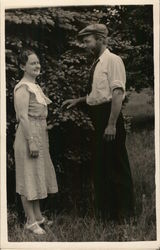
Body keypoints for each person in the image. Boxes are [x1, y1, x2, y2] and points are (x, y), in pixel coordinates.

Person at [62, 24, 135, 222]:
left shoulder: (113, 60)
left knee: (117, 165)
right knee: (102, 166)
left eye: (88, 41)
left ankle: (127, 215)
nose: (85, 45)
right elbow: (98, 95)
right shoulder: (97, 62)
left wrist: (111, 124)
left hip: (109, 117)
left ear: (101, 39)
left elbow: (117, 94)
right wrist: (78, 100)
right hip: (98, 116)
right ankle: (108, 215)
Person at [13, 49, 58, 234]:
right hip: (27, 136)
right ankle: (30, 221)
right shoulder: (22, 87)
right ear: (22, 66)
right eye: (32, 63)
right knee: (27, 177)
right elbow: (23, 116)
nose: (37, 66)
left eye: (38, 62)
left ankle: (38, 217)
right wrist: (31, 141)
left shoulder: (35, 86)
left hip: (39, 134)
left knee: (36, 175)